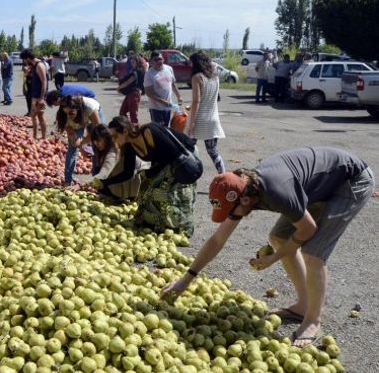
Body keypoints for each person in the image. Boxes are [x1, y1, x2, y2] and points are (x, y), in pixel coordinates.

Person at [160, 147, 374, 347]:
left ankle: (312, 320)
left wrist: (273, 258)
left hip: (350, 181)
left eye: (231, 211)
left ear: (244, 200)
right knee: (279, 237)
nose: (231, 217)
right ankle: (302, 306)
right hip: (318, 187)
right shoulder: (243, 187)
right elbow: (218, 240)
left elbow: (307, 229)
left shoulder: (276, 192)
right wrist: (185, 280)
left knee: (314, 254)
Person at [107, 116, 198, 234]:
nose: (113, 141)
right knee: (145, 190)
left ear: (124, 131)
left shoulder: (149, 131)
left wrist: (151, 177)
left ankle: (181, 225)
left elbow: (170, 156)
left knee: (164, 192)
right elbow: (127, 173)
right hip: (167, 162)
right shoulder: (129, 145)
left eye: (114, 136)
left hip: (185, 159)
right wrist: (105, 183)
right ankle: (156, 222)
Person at [187, 51, 226, 174]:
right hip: (213, 119)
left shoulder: (197, 77)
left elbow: (196, 101)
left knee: (188, 149)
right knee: (213, 152)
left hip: (200, 120)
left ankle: (189, 175)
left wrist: (191, 123)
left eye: (191, 63)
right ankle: (223, 175)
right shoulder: (214, 76)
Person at [91, 124, 147, 202]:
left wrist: (96, 180)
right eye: (94, 141)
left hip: (133, 176)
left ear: (106, 139)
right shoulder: (99, 150)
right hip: (121, 177)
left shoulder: (114, 149)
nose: (96, 143)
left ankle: (123, 196)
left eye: (99, 140)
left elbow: (107, 167)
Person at [56, 95, 103, 185]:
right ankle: (68, 181)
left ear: (77, 109)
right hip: (79, 121)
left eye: (70, 113)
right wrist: (75, 139)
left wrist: (83, 142)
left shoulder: (90, 107)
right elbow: (68, 129)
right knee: (72, 149)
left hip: (92, 117)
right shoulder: (63, 115)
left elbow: (97, 128)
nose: (68, 116)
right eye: (65, 113)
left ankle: (98, 179)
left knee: (99, 143)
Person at [144, 51, 183, 125]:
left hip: (168, 107)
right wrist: (164, 102)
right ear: (151, 61)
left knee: (166, 127)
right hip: (156, 108)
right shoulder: (149, 74)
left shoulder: (169, 69)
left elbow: (173, 84)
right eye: (156, 60)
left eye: (160, 59)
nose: (159, 61)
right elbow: (149, 93)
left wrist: (179, 96)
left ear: (163, 59)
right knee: (159, 131)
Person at [20, 48, 48, 139]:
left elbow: (44, 81)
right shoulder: (33, 65)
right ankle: (35, 137)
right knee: (34, 116)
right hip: (34, 94)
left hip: (39, 96)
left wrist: (42, 97)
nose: (24, 61)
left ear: (28, 57)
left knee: (39, 116)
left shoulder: (39, 65)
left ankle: (43, 137)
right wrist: (28, 73)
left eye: (24, 59)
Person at [117, 55, 145, 125]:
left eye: (133, 62)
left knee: (133, 114)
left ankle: (135, 131)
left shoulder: (138, 70)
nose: (132, 63)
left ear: (138, 62)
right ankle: (128, 126)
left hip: (134, 93)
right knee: (122, 112)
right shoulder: (135, 70)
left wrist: (120, 87)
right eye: (131, 62)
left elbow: (130, 81)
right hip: (131, 93)